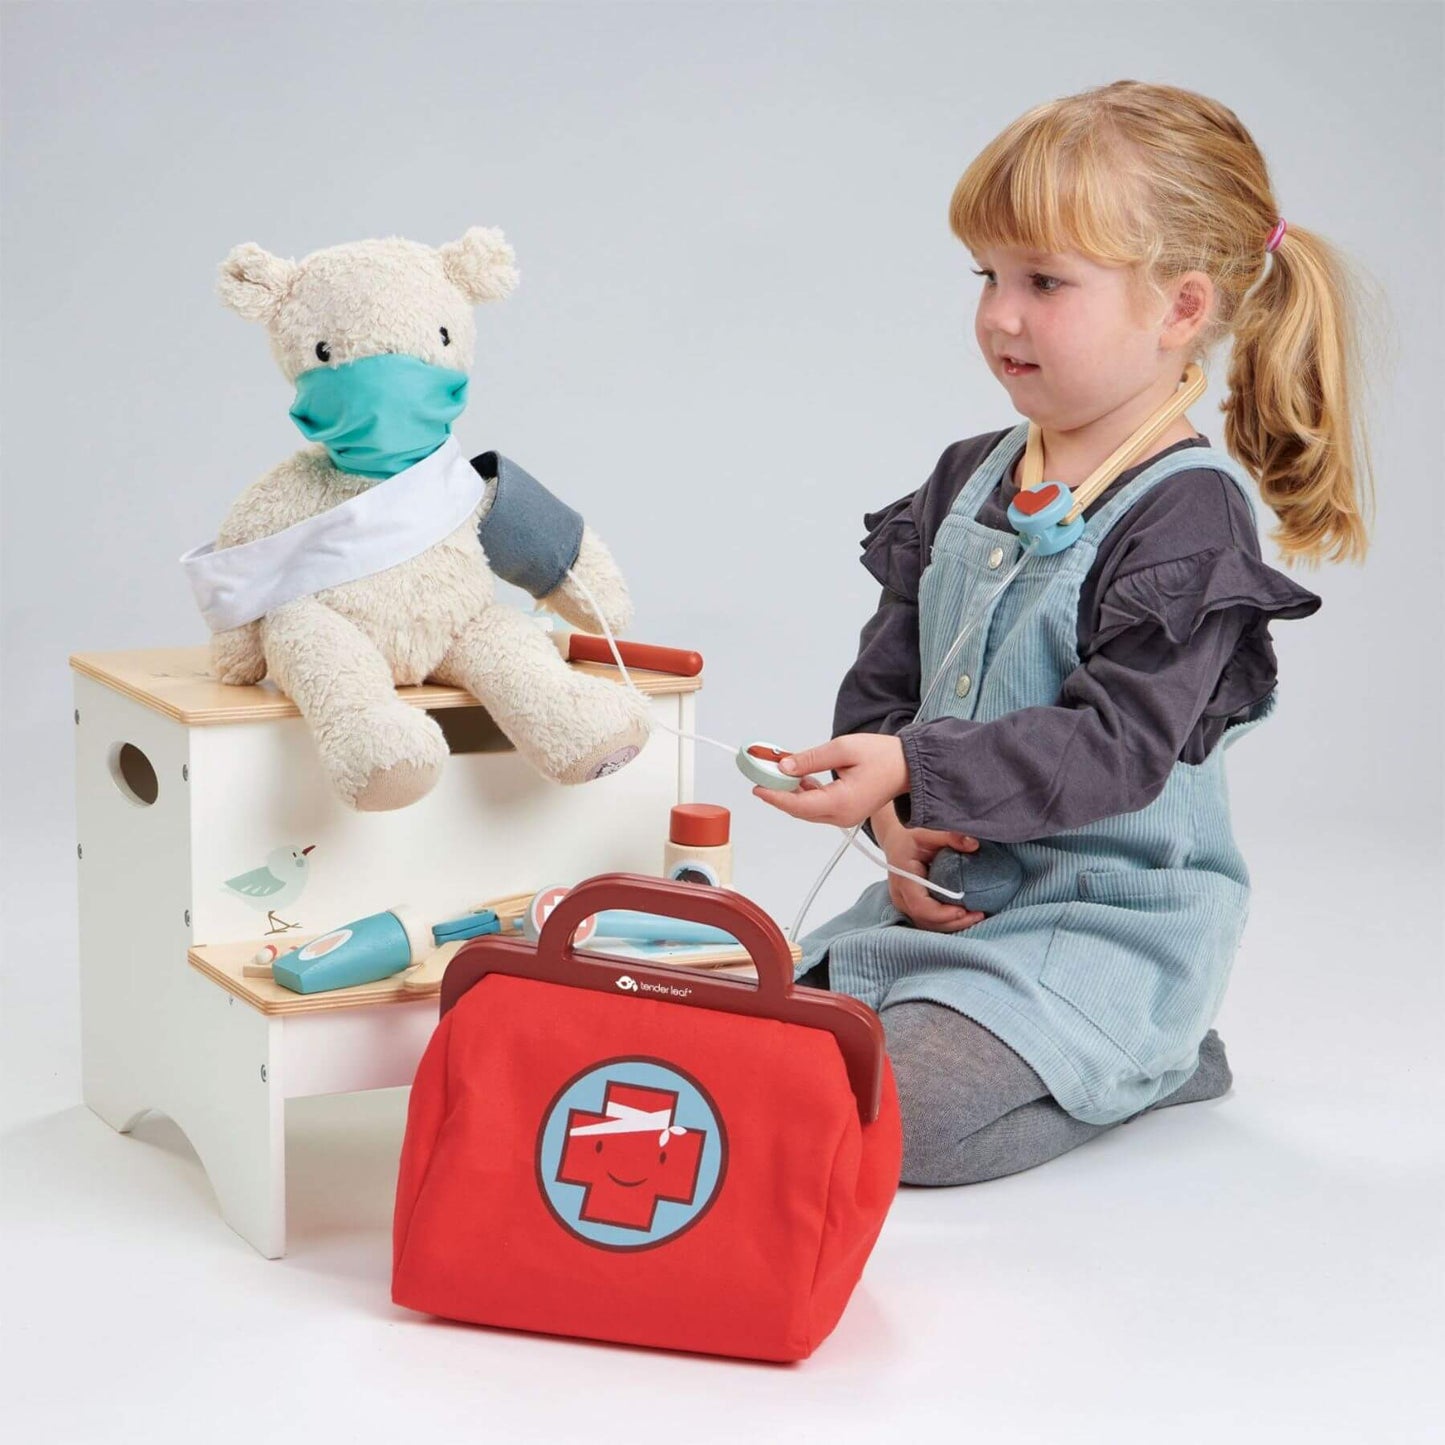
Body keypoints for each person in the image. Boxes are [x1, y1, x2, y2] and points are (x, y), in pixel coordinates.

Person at [753, 80, 1379, 1187]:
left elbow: (1117, 748)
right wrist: (895, 824)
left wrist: (913, 766)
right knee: (758, 1062)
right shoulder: (965, 476)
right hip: (950, 901)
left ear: (1180, 309)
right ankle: (1021, 1041)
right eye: (986, 275)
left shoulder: (1184, 515)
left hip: (1101, 921)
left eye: (1043, 282)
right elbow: (886, 676)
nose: (999, 314)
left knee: (898, 1123)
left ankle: (1149, 1056)